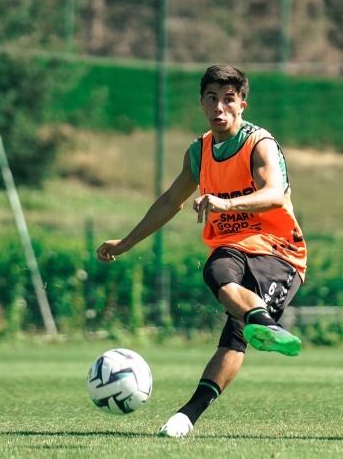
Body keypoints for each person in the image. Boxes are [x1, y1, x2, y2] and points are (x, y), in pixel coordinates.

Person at [96, 65, 307, 438]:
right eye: (212, 98)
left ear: (242, 104)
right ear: (202, 103)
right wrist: (125, 243)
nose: (219, 107)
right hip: (234, 246)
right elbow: (169, 202)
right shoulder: (199, 150)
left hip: (279, 251)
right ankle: (263, 323)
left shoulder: (259, 144)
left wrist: (225, 205)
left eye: (228, 99)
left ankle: (186, 416)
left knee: (234, 335)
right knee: (215, 272)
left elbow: (275, 193)